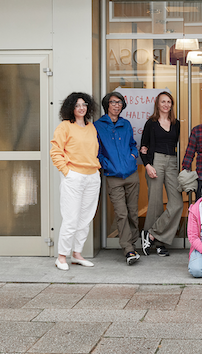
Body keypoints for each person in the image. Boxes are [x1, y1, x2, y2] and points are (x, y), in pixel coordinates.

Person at [50, 92, 101, 271]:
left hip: (92, 176)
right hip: (74, 177)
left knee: (85, 218)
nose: (81, 108)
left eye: (84, 104)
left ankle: (77, 254)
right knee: (71, 218)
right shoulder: (64, 126)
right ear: (71, 108)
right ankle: (61, 257)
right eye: (77, 105)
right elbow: (56, 152)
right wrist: (67, 172)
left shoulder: (91, 127)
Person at [95, 91, 140, 266]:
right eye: (113, 102)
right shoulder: (98, 126)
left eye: (119, 102)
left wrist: (132, 156)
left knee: (133, 213)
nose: (116, 105)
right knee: (122, 213)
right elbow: (96, 151)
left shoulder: (125, 124)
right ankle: (128, 249)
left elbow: (132, 144)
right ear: (107, 104)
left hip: (131, 174)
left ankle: (133, 244)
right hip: (113, 176)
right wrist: (106, 164)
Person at [139, 91, 182, 258]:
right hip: (155, 161)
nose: (166, 104)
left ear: (172, 105)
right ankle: (159, 244)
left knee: (177, 203)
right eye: (163, 101)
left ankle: (151, 233)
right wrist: (147, 165)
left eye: (169, 102)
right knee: (155, 203)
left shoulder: (176, 123)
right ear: (157, 104)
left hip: (172, 162)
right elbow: (143, 148)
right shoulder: (151, 123)